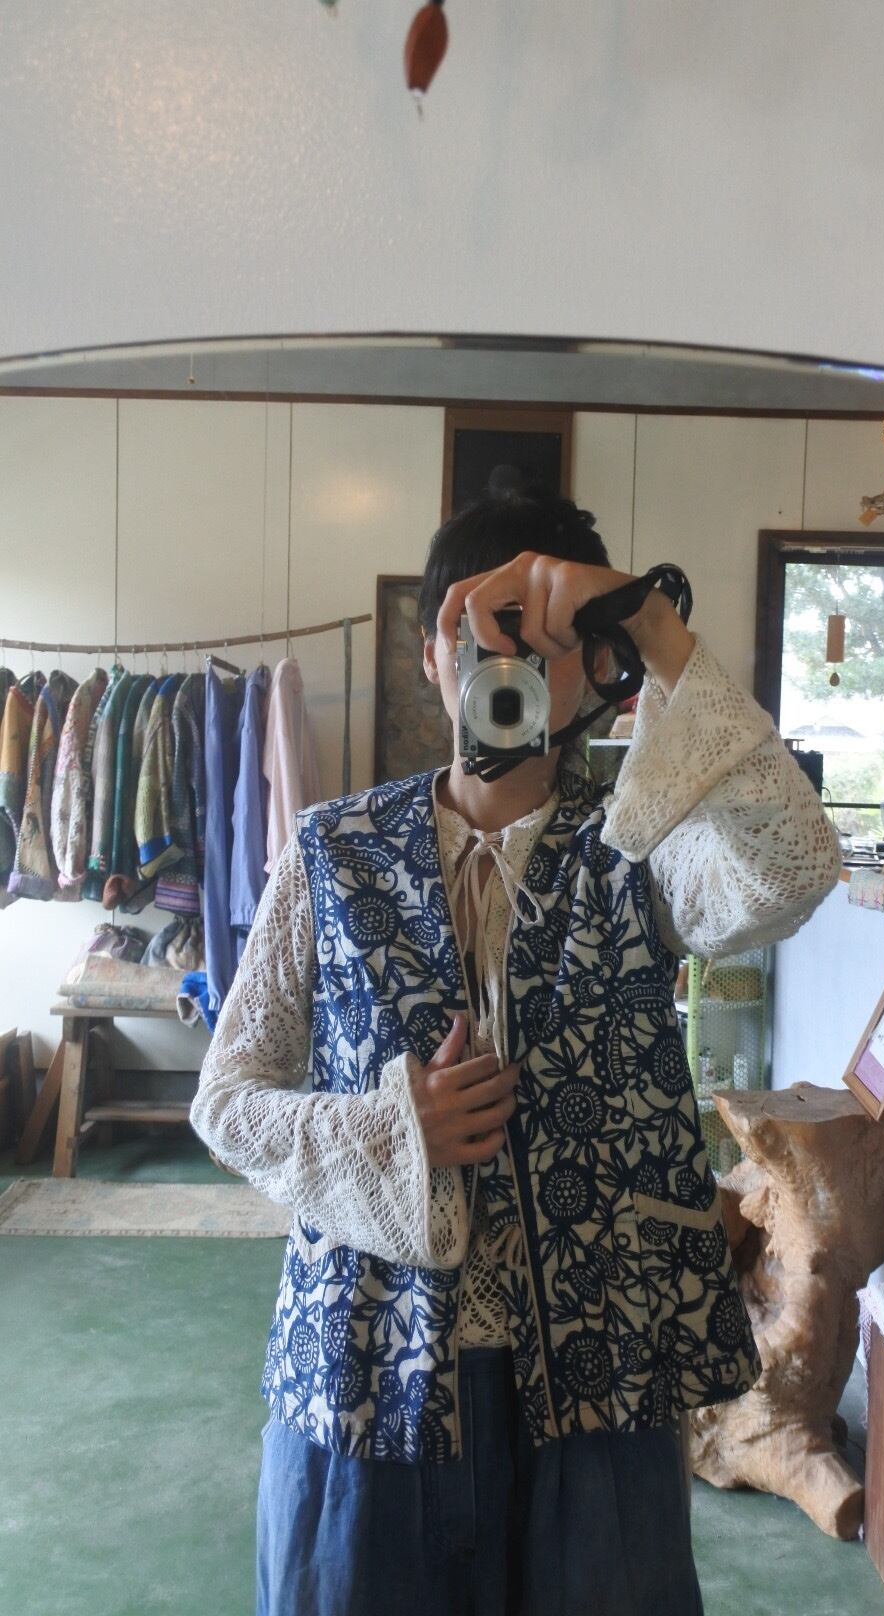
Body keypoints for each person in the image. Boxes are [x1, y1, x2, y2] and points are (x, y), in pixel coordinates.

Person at [189, 486, 841, 1616]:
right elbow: (227, 1099)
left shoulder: (642, 847)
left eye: (551, 639)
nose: (511, 663)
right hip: (368, 1365)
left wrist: (652, 623)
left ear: (596, 666)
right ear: (434, 656)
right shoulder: (330, 851)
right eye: (478, 632)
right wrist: (391, 1130)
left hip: (602, 1369)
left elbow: (791, 863)